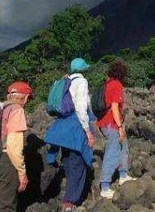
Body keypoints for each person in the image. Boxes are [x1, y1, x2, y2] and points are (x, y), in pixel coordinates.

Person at [45, 58, 95, 212]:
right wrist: (88, 131)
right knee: (78, 164)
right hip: (75, 127)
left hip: (63, 127)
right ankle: (69, 202)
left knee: (68, 161)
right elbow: (81, 108)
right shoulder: (81, 81)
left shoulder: (65, 80)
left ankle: (67, 196)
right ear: (83, 69)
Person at [0, 81, 32, 212]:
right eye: (28, 98)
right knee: (7, 207)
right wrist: (22, 173)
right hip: (4, 162)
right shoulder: (17, 110)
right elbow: (14, 147)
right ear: (25, 97)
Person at [97, 60, 136, 199]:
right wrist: (120, 127)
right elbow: (114, 107)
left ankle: (123, 175)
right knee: (112, 152)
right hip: (111, 124)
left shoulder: (107, 84)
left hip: (104, 122)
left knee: (123, 146)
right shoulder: (116, 85)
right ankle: (105, 186)